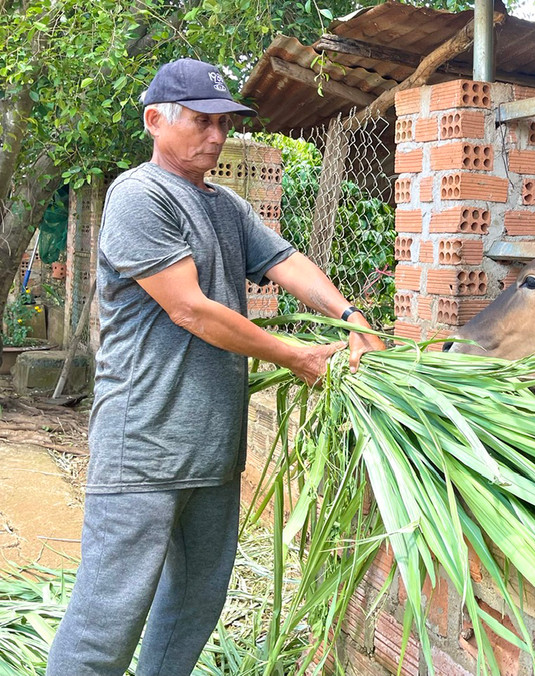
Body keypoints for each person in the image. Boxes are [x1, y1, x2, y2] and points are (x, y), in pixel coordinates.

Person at [46, 58, 385, 676]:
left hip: (213, 450)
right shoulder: (139, 196)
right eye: (201, 121)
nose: (217, 136)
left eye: (224, 123)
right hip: (144, 447)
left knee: (192, 609)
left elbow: (286, 261)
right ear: (155, 120)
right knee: (106, 622)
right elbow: (191, 310)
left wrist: (351, 314)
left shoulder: (225, 205)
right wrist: (295, 355)